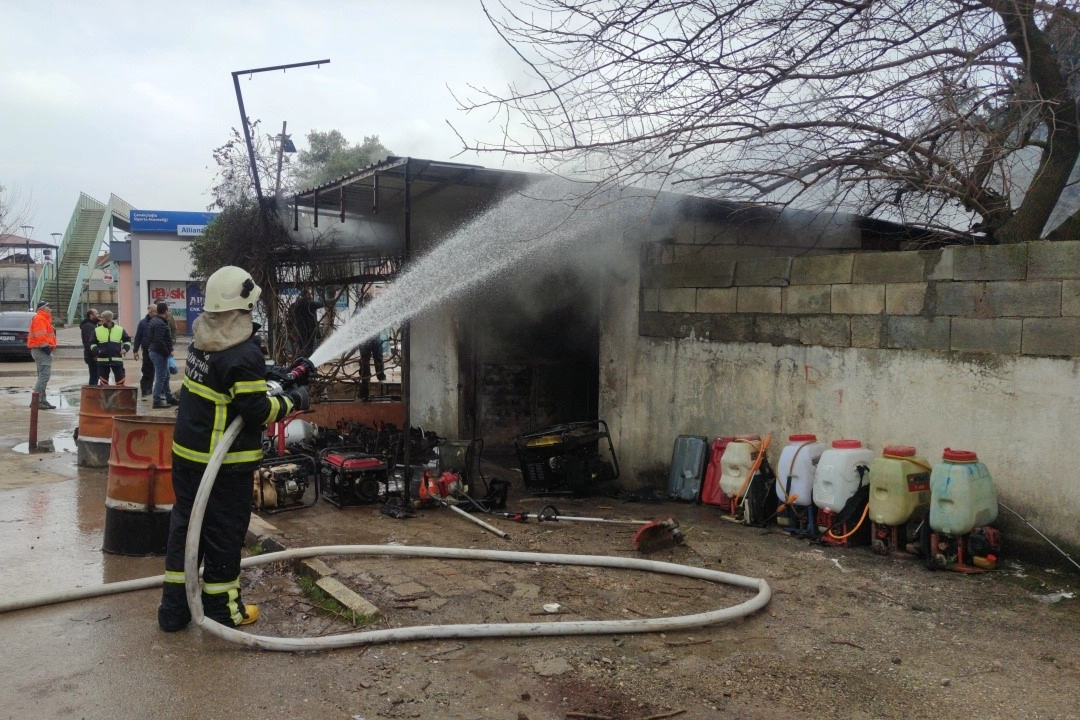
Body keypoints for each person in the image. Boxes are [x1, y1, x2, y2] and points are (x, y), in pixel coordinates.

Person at [158, 265, 309, 632]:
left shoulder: (203, 339)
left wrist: (274, 375)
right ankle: (223, 611)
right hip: (224, 468)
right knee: (224, 535)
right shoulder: (242, 355)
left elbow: (230, 380)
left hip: (188, 459)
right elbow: (256, 411)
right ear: (242, 307)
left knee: (186, 530)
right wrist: (295, 399)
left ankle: (174, 611)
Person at [291, 288, 338, 358]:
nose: (311, 296)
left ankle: (300, 363)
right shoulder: (310, 304)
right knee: (310, 351)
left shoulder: (294, 305)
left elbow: (290, 314)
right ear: (306, 295)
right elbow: (323, 303)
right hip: (310, 332)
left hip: (299, 332)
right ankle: (307, 364)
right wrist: (335, 299)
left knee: (300, 349)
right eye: (309, 294)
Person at [27, 301, 57, 409]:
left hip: (40, 349)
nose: (51, 309)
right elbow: (40, 337)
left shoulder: (44, 318)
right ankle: (37, 401)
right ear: (43, 308)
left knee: (42, 376)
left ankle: (42, 400)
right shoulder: (40, 318)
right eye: (49, 307)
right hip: (41, 350)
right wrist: (47, 350)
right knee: (44, 376)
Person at [148, 303, 178, 408]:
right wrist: (168, 352)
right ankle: (156, 401)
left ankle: (169, 398)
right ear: (166, 311)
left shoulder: (155, 320)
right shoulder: (160, 323)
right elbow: (159, 340)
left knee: (166, 376)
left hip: (156, 352)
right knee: (161, 377)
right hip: (159, 353)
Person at [90, 310, 132, 385]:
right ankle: (105, 396)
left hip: (117, 360)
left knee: (120, 382)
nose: (101, 319)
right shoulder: (97, 330)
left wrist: (125, 349)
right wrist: (97, 351)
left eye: (102, 318)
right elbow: (92, 343)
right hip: (102, 361)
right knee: (103, 383)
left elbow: (128, 340)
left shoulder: (119, 329)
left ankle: (119, 396)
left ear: (108, 319)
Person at [132, 305, 157, 398]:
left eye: (155, 312)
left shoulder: (159, 322)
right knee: (146, 371)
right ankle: (144, 391)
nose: (153, 314)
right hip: (147, 351)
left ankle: (150, 389)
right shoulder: (143, 323)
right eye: (151, 312)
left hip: (157, 351)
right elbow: (138, 337)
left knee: (153, 371)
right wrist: (135, 350)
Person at [79, 307, 101, 386]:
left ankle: (93, 391)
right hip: (92, 356)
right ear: (91, 316)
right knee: (94, 376)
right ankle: (92, 392)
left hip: (93, 354)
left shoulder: (94, 325)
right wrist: (94, 354)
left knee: (96, 375)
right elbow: (89, 342)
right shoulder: (88, 326)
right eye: (97, 314)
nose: (99, 315)